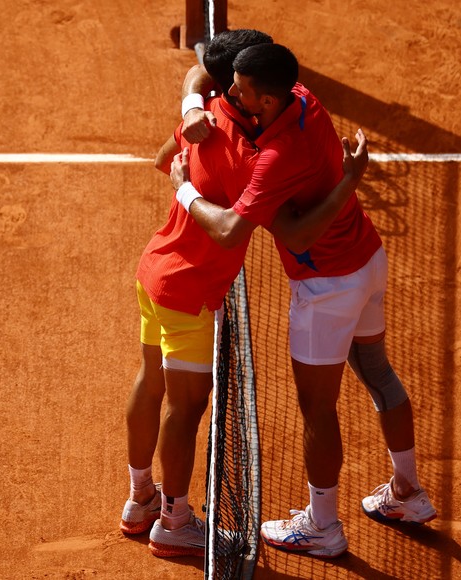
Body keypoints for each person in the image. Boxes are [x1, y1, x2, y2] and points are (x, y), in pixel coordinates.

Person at [170, 42, 436, 559]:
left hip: (325, 287)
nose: (228, 94)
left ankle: (322, 526)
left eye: (239, 92)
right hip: (368, 257)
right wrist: (192, 104)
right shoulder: (303, 97)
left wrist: (184, 190)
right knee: (379, 373)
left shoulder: (273, 160)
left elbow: (241, 232)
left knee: (318, 409)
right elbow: (206, 67)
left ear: (264, 102)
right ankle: (407, 491)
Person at [121, 29, 371, 560]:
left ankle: (139, 497)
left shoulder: (204, 115)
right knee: (186, 409)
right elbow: (271, 229)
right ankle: (173, 520)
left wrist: (191, 114)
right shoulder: (248, 154)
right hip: (190, 290)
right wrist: (345, 185)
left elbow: (165, 155)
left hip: (155, 270)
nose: (231, 93)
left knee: (150, 383)